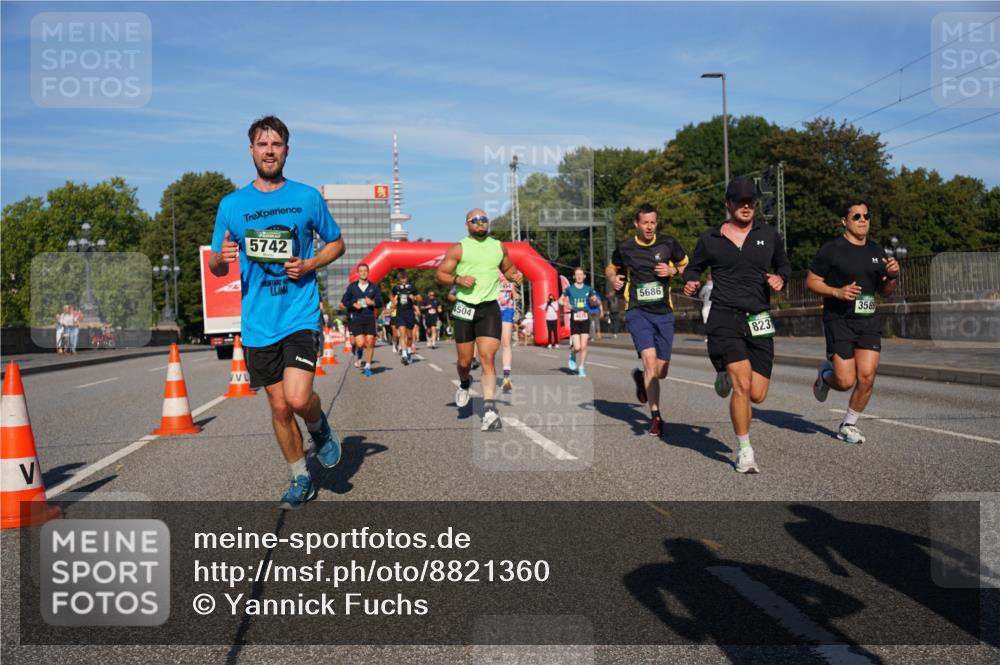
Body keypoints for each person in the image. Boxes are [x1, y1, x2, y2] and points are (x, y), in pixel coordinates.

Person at [210, 115, 345, 509]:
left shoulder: (306, 197)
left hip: (299, 314)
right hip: (257, 323)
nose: (270, 151)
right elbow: (217, 265)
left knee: (300, 399)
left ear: (287, 150)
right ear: (251, 150)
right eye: (262, 144)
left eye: (277, 144)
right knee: (280, 406)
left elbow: (336, 243)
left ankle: (319, 427)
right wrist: (222, 257)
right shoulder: (232, 205)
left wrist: (309, 264)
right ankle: (300, 478)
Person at [682, 176, 791, 473]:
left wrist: (781, 277)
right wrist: (690, 281)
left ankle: (725, 377)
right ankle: (745, 451)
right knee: (743, 385)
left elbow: (784, 263)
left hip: (758, 317)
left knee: (758, 393)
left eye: (751, 201)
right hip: (724, 316)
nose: (746, 206)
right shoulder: (711, 239)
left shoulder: (768, 234)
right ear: (728, 203)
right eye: (740, 201)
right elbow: (693, 267)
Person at [807, 200, 900, 444]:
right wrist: (837, 292)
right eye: (856, 216)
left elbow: (886, 291)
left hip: (868, 320)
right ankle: (825, 376)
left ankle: (848, 424)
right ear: (844, 221)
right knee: (845, 381)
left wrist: (892, 276)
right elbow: (812, 281)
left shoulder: (876, 250)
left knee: (867, 376)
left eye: (866, 216)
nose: (862, 220)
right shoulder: (832, 249)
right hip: (839, 320)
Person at [436, 209, 523, 431]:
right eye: (475, 220)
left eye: (484, 219)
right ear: (467, 225)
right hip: (465, 307)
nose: (481, 223)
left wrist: (515, 275)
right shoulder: (459, 248)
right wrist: (457, 278)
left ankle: (489, 410)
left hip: (489, 307)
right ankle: (465, 382)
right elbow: (440, 275)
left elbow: (509, 267)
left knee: (487, 357)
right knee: (464, 362)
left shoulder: (498, 246)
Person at [606, 204, 689, 436]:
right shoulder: (626, 248)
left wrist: (673, 272)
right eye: (645, 223)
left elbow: (687, 267)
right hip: (637, 311)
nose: (650, 227)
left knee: (661, 371)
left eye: (653, 222)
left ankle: (642, 380)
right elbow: (610, 268)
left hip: (663, 313)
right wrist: (613, 279)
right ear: (637, 224)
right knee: (650, 361)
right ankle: (656, 417)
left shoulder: (668, 243)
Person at [341, 262, 382, 377]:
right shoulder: (352, 287)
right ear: (358, 273)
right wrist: (353, 305)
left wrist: (372, 302)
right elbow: (344, 301)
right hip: (357, 318)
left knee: (369, 342)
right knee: (359, 343)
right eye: (361, 271)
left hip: (369, 317)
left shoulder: (373, 287)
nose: (363, 273)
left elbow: (379, 302)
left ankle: (368, 366)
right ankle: (359, 352)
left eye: (365, 271)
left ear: (368, 272)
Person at [561, 267, 600, 377]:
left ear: (584, 276)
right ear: (574, 277)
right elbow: (560, 300)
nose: (579, 276)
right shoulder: (570, 289)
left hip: (585, 318)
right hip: (575, 319)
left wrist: (595, 301)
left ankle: (581, 367)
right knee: (577, 347)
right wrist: (566, 304)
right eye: (577, 274)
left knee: (584, 346)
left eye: (581, 274)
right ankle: (573, 354)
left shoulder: (588, 289)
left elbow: (595, 301)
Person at [498, 271, 518, 392]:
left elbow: (512, 287)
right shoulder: (488, 266)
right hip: (491, 309)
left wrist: (515, 294)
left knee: (506, 342)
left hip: (506, 309)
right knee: (491, 345)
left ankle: (506, 378)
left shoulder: (510, 269)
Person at [391, 272, 418, 364]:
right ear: (399, 280)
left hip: (409, 313)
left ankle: (409, 352)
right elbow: (393, 302)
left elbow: (420, 298)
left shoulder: (412, 288)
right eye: (401, 279)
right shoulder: (396, 288)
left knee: (410, 336)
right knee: (402, 334)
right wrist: (394, 302)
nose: (403, 280)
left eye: (404, 278)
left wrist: (413, 298)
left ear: (407, 279)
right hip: (400, 314)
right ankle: (404, 355)